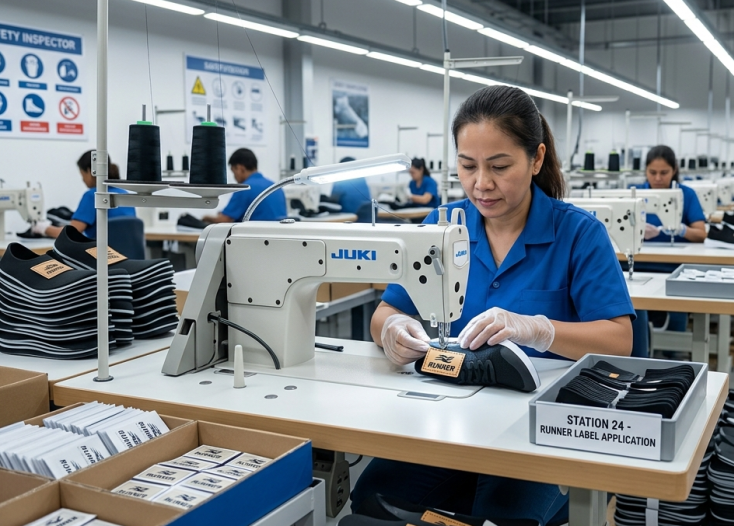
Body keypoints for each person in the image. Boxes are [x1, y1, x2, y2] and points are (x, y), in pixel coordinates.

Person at [351, 85, 634, 525]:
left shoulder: (579, 234)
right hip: (449, 417)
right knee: (373, 497)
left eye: (499, 167)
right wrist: (391, 330)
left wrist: (540, 329)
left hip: (539, 430)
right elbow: (386, 312)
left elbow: (620, 340)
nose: (481, 183)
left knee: (501, 516)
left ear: (536, 159)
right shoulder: (441, 227)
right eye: (467, 166)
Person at [630, 145, 707, 357]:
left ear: (674, 170)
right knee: (632, 305)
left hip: (674, 268)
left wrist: (681, 229)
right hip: (636, 264)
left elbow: (701, 233)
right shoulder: (633, 193)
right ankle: (639, 354)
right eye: (652, 172)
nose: (657, 178)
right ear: (645, 171)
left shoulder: (686, 195)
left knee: (677, 310)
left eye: (664, 172)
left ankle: (673, 353)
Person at [33, 152, 136, 239]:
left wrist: (42, 227)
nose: (83, 180)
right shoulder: (124, 194)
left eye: (82, 175)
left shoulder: (93, 195)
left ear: (89, 171)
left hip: (104, 255)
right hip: (129, 254)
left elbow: (70, 233)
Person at [203, 148, 287, 223]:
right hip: (278, 234)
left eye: (233, 171)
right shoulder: (276, 187)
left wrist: (206, 218)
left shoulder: (244, 188)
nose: (234, 176)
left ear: (240, 168)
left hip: (254, 234)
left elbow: (225, 219)